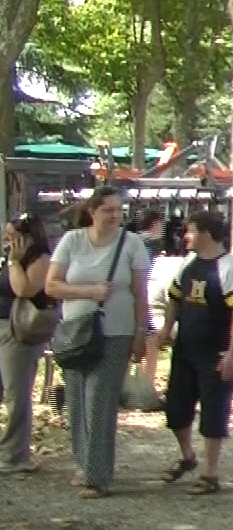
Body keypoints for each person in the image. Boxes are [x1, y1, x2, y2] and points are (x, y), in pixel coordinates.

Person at [45, 186, 152, 497]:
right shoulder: (72, 241)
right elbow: (52, 285)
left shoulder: (132, 243)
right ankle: (85, 463)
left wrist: (141, 333)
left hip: (116, 332)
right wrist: (89, 291)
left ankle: (97, 476)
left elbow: (140, 294)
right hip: (76, 333)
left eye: (120, 210)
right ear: (92, 212)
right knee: (77, 401)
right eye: (108, 210)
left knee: (100, 402)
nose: (115, 216)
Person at [156, 210, 233, 495]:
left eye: (190, 231)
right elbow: (174, 298)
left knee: (213, 411)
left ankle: (210, 472)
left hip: (214, 353)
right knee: (176, 407)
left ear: (206, 234)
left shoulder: (229, 268)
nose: (185, 237)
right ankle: (187, 456)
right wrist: (166, 329)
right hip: (185, 348)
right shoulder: (188, 265)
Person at [0, 212, 54, 473]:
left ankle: (15, 455)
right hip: (2, 326)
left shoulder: (39, 259)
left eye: (13, 236)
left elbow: (23, 290)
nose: (8, 240)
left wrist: (14, 263)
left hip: (18, 330)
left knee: (16, 394)